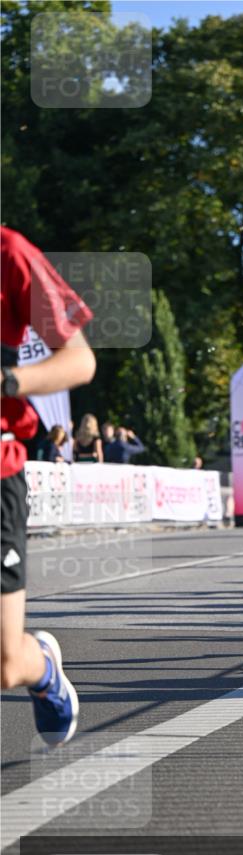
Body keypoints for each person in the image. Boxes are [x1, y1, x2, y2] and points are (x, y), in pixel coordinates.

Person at [1, 225, 96, 746]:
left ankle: (38, 667)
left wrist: (7, 383)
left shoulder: (10, 253)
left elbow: (80, 360)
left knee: (4, 665)